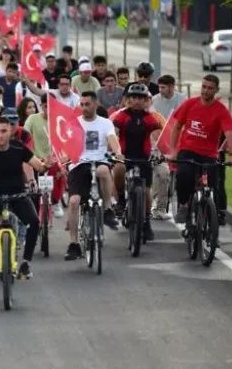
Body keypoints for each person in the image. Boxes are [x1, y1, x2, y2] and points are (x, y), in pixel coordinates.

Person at [0, 116, 49, 277]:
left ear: (10, 131)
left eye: (4, 131)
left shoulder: (19, 147)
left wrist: (46, 165)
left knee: (34, 222)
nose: (0, 135)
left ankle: (26, 262)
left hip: (18, 195)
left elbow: (38, 166)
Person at [168, 75, 232, 224]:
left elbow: (230, 133)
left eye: (210, 88)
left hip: (209, 154)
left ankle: (211, 227)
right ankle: (184, 205)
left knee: (213, 186)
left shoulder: (221, 110)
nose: (205, 91)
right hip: (187, 150)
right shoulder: (189, 104)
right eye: (203, 87)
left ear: (216, 90)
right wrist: (173, 150)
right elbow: (177, 128)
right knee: (183, 175)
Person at [64, 91, 122, 261]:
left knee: (104, 171)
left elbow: (113, 140)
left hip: (99, 161)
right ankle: (73, 244)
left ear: (96, 105)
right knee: (74, 202)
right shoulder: (74, 123)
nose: (84, 108)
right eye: (81, 104)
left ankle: (107, 208)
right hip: (79, 164)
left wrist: (118, 152)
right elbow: (67, 144)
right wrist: (65, 156)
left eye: (87, 104)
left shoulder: (105, 123)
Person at [111, 83, 162, 241]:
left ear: (146, 100)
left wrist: (158, 150)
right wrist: (114, 151)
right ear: (128, 100)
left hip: (144, 158)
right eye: (134, 98)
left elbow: (156, 136)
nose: (137, 101)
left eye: (141, 98)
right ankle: (120, 199)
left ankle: (146, 222)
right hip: (125, 156)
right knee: (118, 169)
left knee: (146, 191)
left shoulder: (149, 118)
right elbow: (114, 133)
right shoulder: (122, 116)